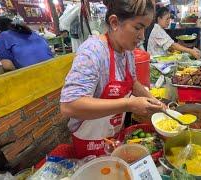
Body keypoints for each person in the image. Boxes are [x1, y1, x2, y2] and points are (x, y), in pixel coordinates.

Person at [60, 0, 164, 159]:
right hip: (89, 141)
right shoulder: (92, 52)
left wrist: (153, 100)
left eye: (145, 28)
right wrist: (129, 104)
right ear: (114, 22)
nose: (142, 36)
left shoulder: (126, 50)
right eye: (138, 27)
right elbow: (69, 106)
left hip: (113, 134)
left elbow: (132, 83)